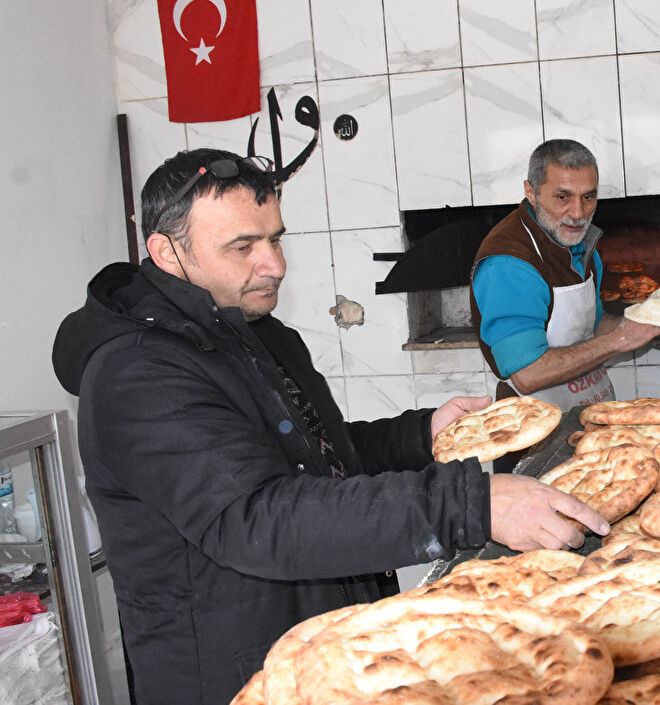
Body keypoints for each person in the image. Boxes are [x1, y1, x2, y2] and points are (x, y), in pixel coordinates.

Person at [51, 148, 608, 705]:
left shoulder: (257, 331)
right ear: (166, 253)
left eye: (275, 238)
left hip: (324, 647)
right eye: (243, 247)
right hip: (236, 673)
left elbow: (320, 457)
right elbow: (258, 517)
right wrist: (473, 504)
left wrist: (422, 435)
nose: (274, 265)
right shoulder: (139, 374)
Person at [470, 139, 660, 407]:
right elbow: (528, 374)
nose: (578, 213)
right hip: (537, 428)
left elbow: (592, 324)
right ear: (531, 192)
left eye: (588, 197)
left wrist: (649, 321)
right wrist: (618, 341)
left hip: (590, 410)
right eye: (562, 197)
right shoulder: (509, 264)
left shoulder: (578, 242)